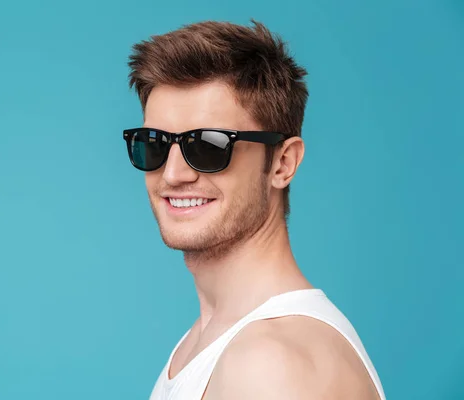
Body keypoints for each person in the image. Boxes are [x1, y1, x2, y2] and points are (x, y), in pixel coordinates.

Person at [122, 20, 385, 400]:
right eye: (155, 142)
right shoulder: (205, 342)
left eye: (209, 146)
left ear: (283, 163)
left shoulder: (271, 364)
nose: (174, 174)